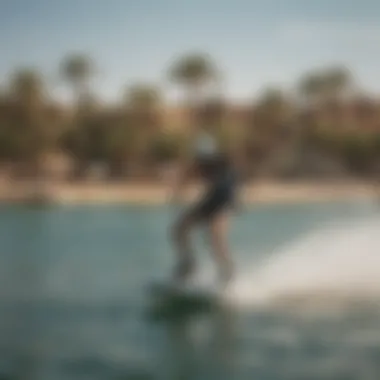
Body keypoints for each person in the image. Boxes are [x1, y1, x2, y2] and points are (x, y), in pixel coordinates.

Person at [169, 99, 245, 287]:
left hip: (224, 202)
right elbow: (186, 176)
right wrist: (177, 192)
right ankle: (188, 264)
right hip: (210, 200)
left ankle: (228, 274)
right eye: (199, 156)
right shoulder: (197, 163)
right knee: (179, 229)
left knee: (215, 237)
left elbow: (233, 184)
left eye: (203, 156)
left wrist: (235, 203)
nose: (201, 160)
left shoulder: (223, 163)